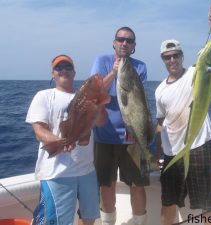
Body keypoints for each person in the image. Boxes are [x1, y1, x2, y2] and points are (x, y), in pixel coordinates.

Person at [155, 5, 211, 225]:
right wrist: (156, 153)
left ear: (182, 56)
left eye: (175, 55)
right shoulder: (159, 90)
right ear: (163, 60)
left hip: (199, 147)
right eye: (167, 57)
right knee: (167, 202)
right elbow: (160, 123)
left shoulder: (197, 72)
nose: (172, 60)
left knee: (208, 203)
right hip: (172, 154)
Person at [26, 55, 100, 225]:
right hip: (57, 173)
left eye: (68, 67)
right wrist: (61, 141)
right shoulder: (44, 96)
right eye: (59, 68)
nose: (64, 71)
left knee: (89, 218)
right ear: (53, 73)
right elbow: (39, 131)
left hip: (87, 170)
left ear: (74, 73)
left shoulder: (88, 100)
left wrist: (98, 107)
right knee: (57, 222)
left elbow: (99, 122)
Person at [90, 27, 148, 225]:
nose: (124, 43)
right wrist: (114, 72)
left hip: (132, 136)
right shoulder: (101, 61)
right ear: (114, 42)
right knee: (107, 185)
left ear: (133, 47)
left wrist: (137, 131)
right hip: (104, 136)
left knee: (137, 185)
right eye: (120, 39)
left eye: (129, 40)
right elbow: (95, 93)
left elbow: (137, 102)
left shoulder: (140, 67)